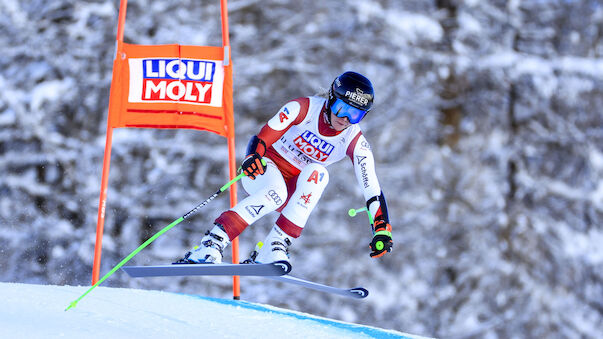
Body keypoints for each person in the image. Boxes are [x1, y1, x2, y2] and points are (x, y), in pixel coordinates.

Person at [178, 71, 393, 265]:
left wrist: (381, 228)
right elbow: (262, 138)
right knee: (276, 193)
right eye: (341, 108)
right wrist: (252, 157)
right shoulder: (303, 108)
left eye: (356, 115)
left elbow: (371, 188)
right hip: (262, 170)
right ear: (330, 99)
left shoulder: (354, 140)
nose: (345, 119)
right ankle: (211, 242)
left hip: (293, 189)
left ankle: (275, 245)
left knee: (319, 174)